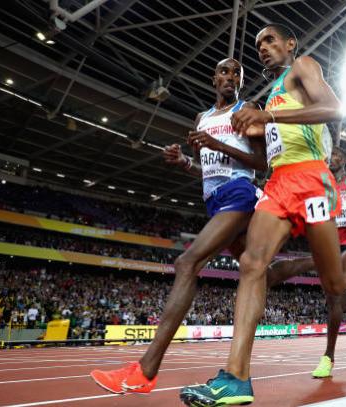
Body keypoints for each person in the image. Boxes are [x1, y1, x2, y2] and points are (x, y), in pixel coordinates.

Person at [180, 23, 346, 406]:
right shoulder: (269, 99)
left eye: (269, 40)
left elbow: (334, 108)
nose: (263, 48)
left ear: (289, 44)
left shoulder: (304, 67)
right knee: (252, 263)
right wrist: (243, 126)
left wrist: (268, 119)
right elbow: (267, 151)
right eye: (258, 44)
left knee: (335, 285)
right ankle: (236, 379)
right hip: (280, 183)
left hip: (313, 181)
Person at [89, 58, 267, 394]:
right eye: (224, 72)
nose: (230, 77)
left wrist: (217, 145)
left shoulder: (247, 109)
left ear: (241, 82)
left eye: (237, 74)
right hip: (214, 200)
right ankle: (330, 271)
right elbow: (208, 171)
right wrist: (185, 162)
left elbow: (261, 162)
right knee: (260, 270)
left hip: (240, 192)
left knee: (187, 263)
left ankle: (146, 369)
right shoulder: (201, 118)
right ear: (214, 78)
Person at [267, 145, 346, 379]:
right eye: (329, 156)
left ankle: (328, 357)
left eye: (337, 155)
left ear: (345, 159)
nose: (332, 159)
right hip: (327, 241)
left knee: (336, 299)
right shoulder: (318, 181)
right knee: (333, 295)